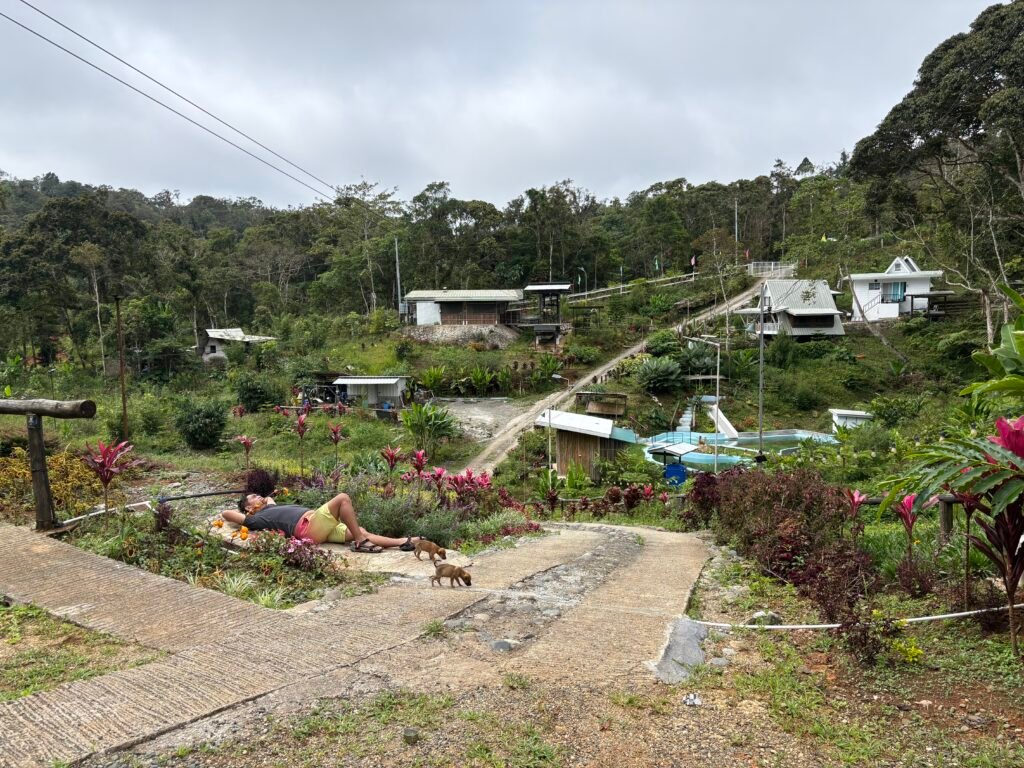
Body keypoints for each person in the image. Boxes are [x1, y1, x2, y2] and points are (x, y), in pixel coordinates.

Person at [222, 492, 418, 553]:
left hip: (317, 527)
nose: (260, 497)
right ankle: (360, 542)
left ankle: (402, 542)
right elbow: (226, 513)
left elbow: (271, 500)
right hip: (308, 526)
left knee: (360, 530)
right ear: (248, 508)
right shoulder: (255, 518)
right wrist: (249, 509)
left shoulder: (269, 508)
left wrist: (263, 501)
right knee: (342, 498)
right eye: (254, 497)